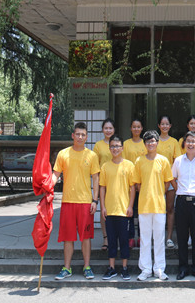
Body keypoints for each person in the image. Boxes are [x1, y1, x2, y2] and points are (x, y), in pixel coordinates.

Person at [52, 122, 100, 280]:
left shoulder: (91, 155)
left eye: (83, 135)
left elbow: (95, 179)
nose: (80, 137)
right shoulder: (63, 154)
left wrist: (95, 200)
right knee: (68, 237)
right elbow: (55, 175)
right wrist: (48, 187)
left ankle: (87, 267)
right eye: (77, 134)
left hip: (85, 203)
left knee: (86, 237)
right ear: (73, 135)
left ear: (87, 137)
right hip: (68, 202)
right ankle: (67, 268)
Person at [134, 130, 173, 281]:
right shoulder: (139, 161)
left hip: (159, 205)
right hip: (144, 205)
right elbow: (137, 184)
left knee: (159, 239)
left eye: (153, 141)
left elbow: (167, 182)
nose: (151, 143)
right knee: (145, 239)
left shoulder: (163, 161)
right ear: (144, 144)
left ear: (157, 143)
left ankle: (159, 269)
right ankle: (145, 269)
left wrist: (159, 193)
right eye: (148, 141)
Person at [172, 131, 195, 280]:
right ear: (184, 144)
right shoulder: (178, 161)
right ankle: (183, 268)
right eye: (188, 141)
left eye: (193, 141)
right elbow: (173, 178)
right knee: (181, 237)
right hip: (181, 201)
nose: (191, 144)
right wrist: (179, 190)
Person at [99, 135, 135, 281]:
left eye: (117, 146)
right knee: (112, 241)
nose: (115, 149)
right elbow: (102, 188)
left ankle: (125, 268)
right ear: (109, 148)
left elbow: (132, 188)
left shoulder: (129, 165)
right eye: (112, 146)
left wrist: (130, 206)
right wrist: (102, 207)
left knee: (124, 241)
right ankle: (112, 268)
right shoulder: (105, 166)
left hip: (124, 211)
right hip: (110, 210)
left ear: (122, 148)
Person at [156, 115, 181, 249]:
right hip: (156, 181)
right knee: (157, 210)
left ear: (170, 126)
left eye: (167, 124)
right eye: (162, 124)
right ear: (159, 126)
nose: (164, 126)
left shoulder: (174, 142)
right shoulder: (154, 141)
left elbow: (177, 162)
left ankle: (169, 237)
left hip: (170, 181)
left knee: (170, 209)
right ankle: (158, 237)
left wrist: (173, 180)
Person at [123, 119, 146, 249]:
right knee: (130, 211)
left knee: (141, 211)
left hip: (143, 183)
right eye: (134, 127)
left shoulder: (145, 143)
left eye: (138, 127)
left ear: (142, 128)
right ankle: (131, 237)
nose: (136, 129)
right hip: (129, 183)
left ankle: (141, 237)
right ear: (131, 128)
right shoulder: (126, 144)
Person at [93, 118, 115, 251]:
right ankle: (106, 238)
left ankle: (115, 238)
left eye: (110, 128)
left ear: (114, 130)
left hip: (117, 181)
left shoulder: (118, 144)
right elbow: (95, 165)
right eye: (106, 128)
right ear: (102, 130)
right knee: (104, 210)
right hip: (103, 182)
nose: (108, 130)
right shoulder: (98, 145)